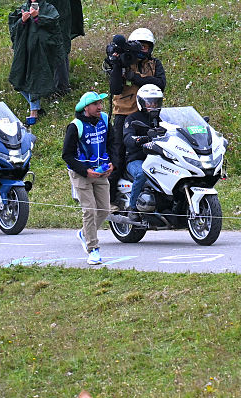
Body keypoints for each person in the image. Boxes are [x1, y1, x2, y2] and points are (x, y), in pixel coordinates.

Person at [108, 27, 165, 207]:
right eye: (139, 46)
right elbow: (115, 88)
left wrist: (134, 77)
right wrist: (117, 64)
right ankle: (110, 199)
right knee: (117, 154)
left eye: (146, 47)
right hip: (124, 113)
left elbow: (161, 84)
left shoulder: (155, 64)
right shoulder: (124, 61)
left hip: (148, 113)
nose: (142, 50)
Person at [62, 91, 112, 265]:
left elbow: (112, 143)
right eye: (96, 104)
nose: (100, 107)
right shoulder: (75, 126)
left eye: (100, 103)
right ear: (86, 108)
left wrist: (112, 163)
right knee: (89, 211)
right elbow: (67, 155)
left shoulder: (104, 120)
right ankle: (93, 249)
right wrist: (85, 171)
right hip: (81, 174)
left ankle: (84, 233)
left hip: (101, 172)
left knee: (104, 210)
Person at [8, 0, 65, 124]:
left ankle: (33, 113)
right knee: (18, 79)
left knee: (35, 81)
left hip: (42, 54)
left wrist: (37, 18)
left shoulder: (49, 9)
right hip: (25, 53)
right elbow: (14, 30)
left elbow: (54, 25)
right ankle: (37, 108)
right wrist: (22, 20)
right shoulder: (24, 7)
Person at [122, 84, 163, 212]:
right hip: (136, 158)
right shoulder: (132, 118)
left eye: (156, 102)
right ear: (141, 102)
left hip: (159, 157)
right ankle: (133, 208)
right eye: (149, 102)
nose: (153, 105)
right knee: (142, 173)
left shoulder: (162, 118)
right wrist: (141, 139)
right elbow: (127, 138)